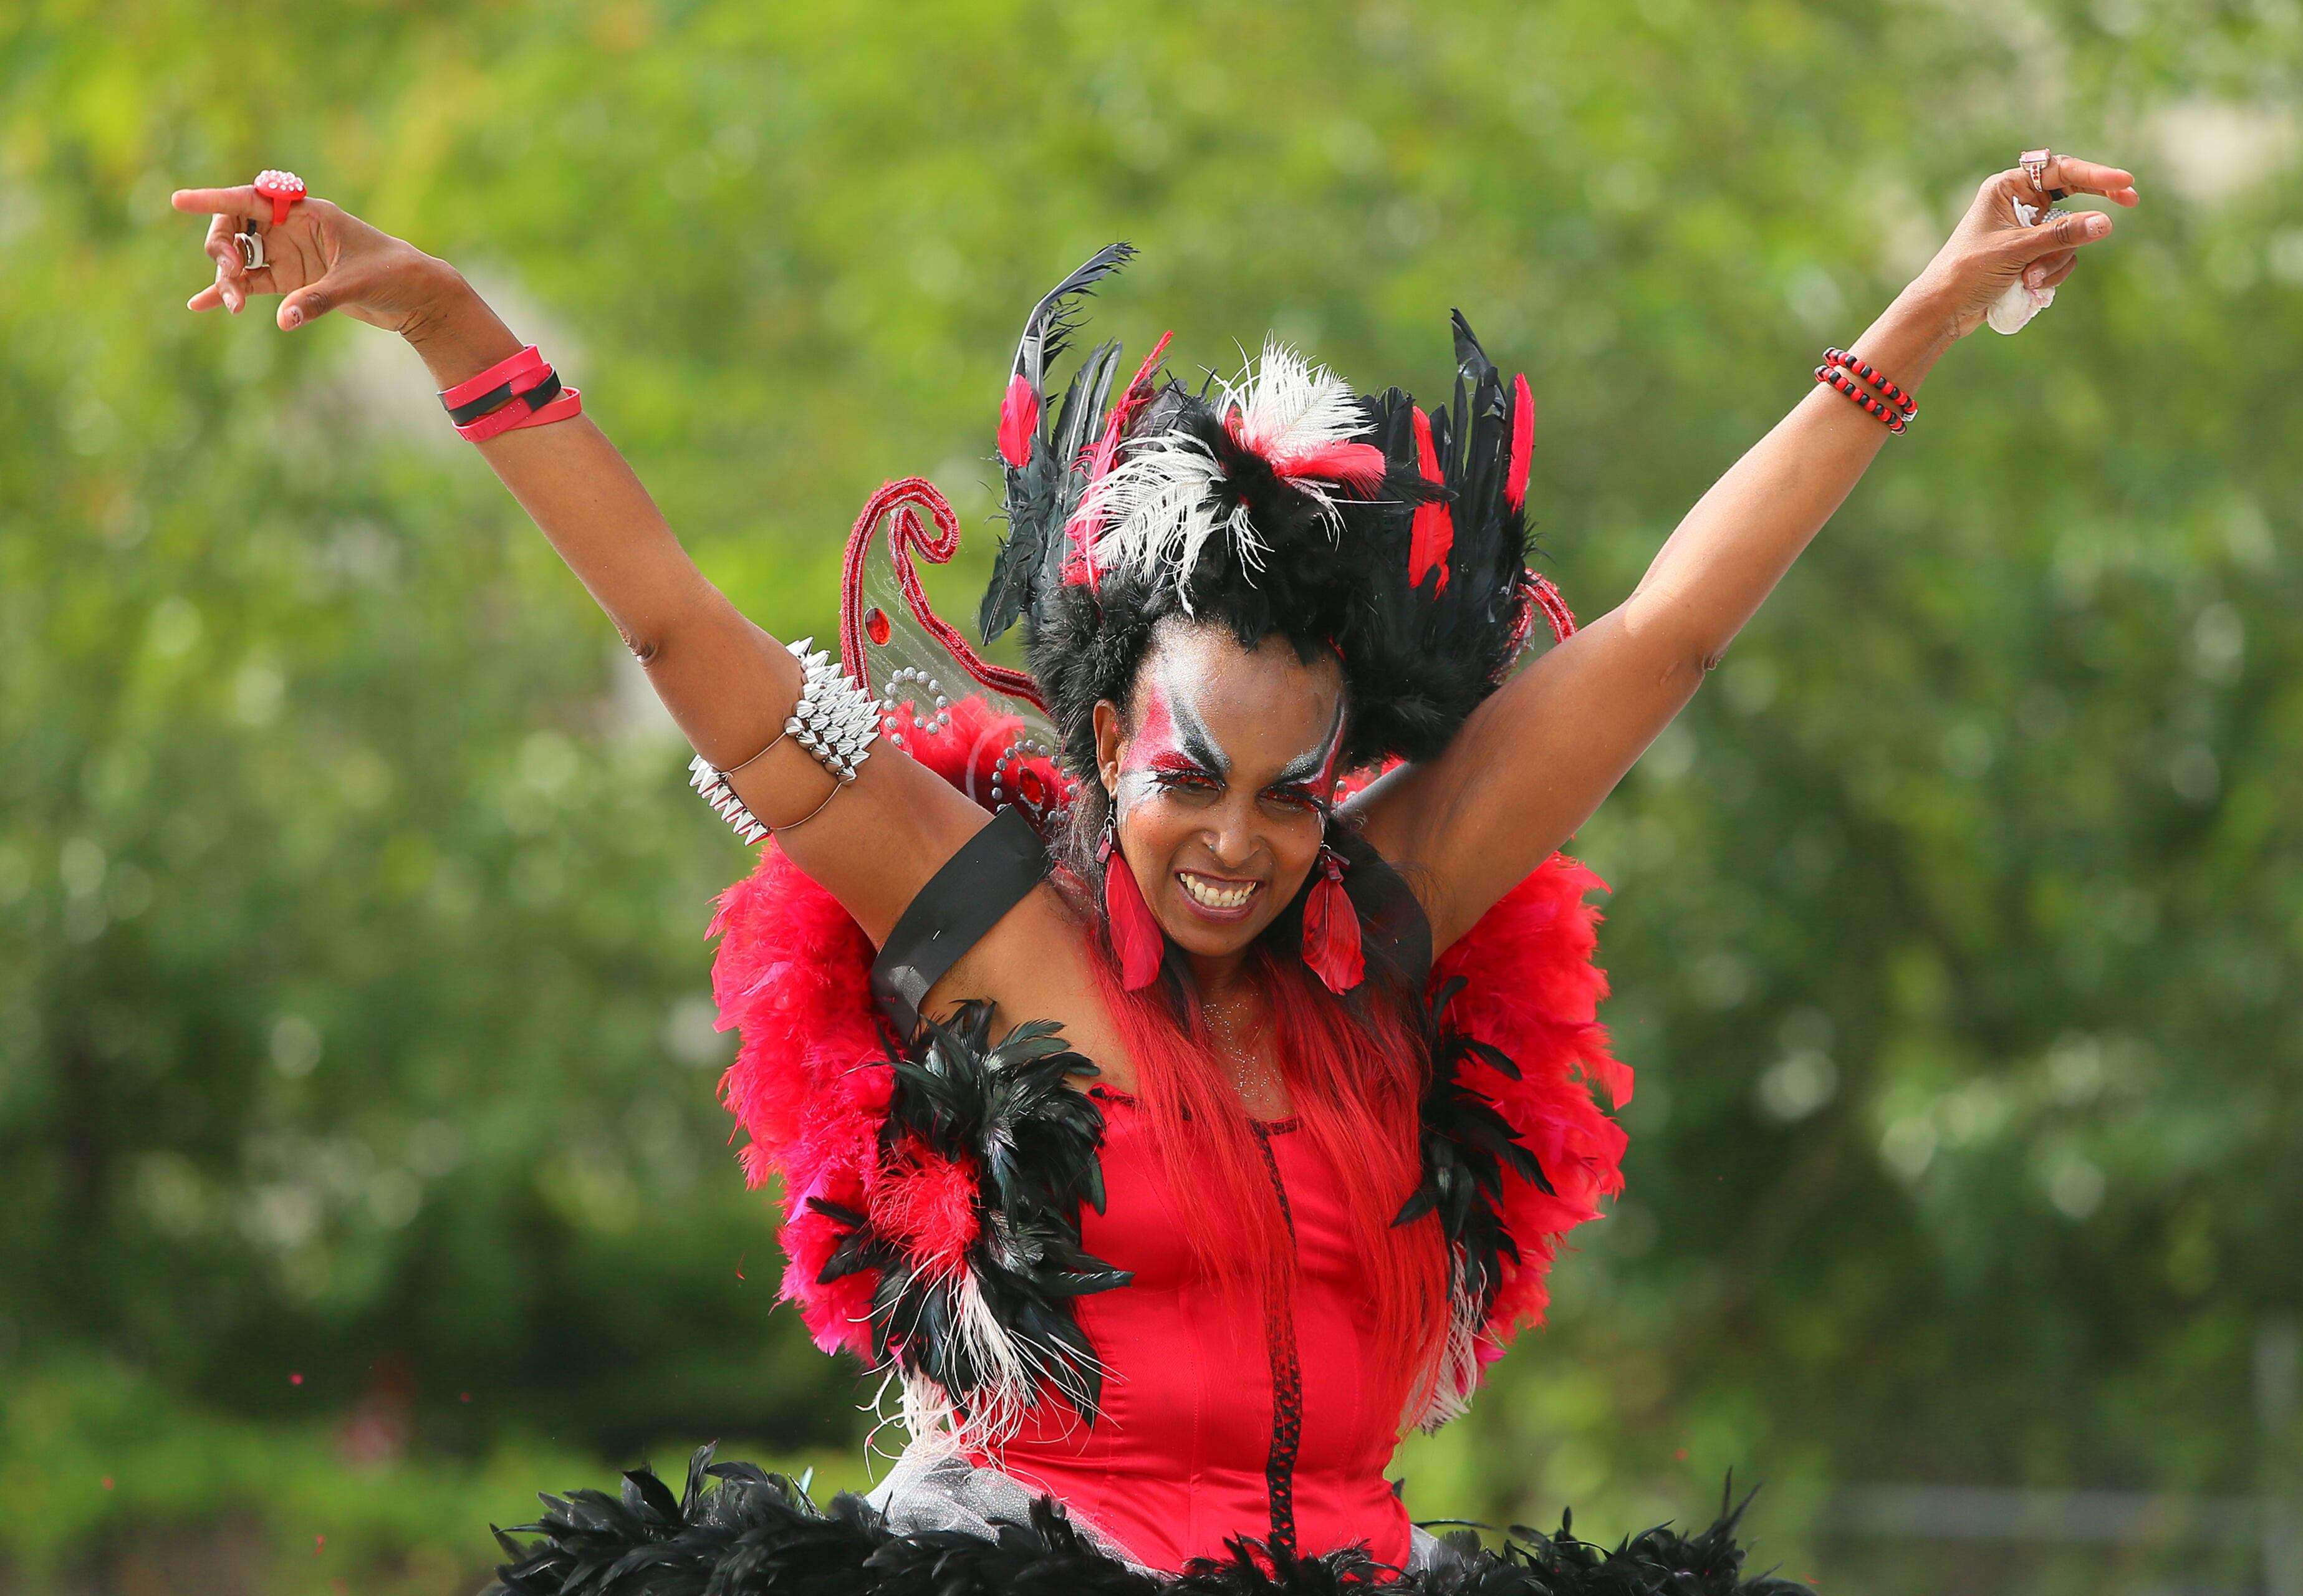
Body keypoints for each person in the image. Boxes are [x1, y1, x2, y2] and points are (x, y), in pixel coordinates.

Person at [171, 149, 2136, 1595]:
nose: (1239, 843)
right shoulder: (982, 915)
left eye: (1294, 798)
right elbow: (690, 641)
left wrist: (1924, 315)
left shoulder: (1382, 922)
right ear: (1109, 739)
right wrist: (449, 321)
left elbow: (1669, 636)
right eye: (1194, 782)